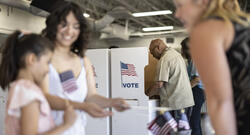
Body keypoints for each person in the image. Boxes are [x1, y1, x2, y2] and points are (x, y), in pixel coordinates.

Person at [41, 2, 129, 135]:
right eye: (64, 25)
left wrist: (112, 102)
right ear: (54, 26)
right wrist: (82, 106)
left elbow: (90, 96)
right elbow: (45, 98)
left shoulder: (83, 61)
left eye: (75, 26)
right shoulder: (42, 59)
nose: (70, 31)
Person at [174, 0, 250, 134]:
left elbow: (221, 102)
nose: (177, 14)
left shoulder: (206, 30)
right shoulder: (243, 23)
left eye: (180, 6)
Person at [0, 31, 77, 135]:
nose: (48, 70)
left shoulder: (20, 88)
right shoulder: (28, 92)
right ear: (31, 59)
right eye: (47, 62)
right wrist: (66, 125)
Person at [147, 39, 194, 119]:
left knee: (175, 131)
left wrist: (147, 94)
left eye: (152, 52)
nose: (153, 56)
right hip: (187, 102)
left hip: (176, 105)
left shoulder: (164, 59)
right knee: (184, 130)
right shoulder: (176, 55)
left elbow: (159, 84)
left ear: (158, 48)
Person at [181, 37, 205, 135]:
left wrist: (183, 90)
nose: (181, 51)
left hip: (197, 91)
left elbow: (196, 79)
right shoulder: (191, 60)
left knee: (194, 121)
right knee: (194, 120)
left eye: (182, 48)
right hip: (196, 91)